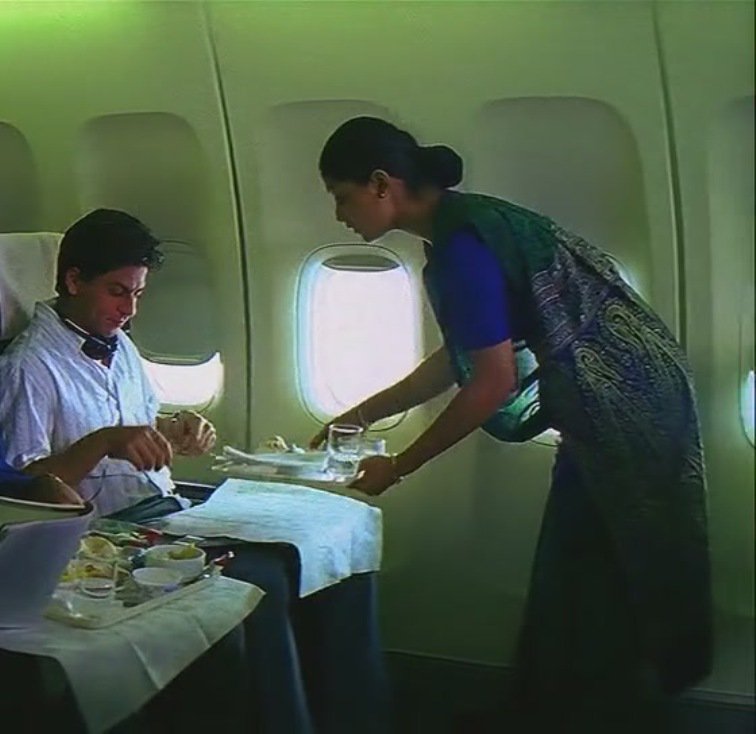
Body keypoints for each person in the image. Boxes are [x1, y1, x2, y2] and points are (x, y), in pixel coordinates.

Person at [313, 116, 712, 732]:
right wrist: (359, 416)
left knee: (601, 570)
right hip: (625, 398)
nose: (339, 215)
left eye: (342, 196)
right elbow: (459, 360)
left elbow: (490, 382)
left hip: (627, 409)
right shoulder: (465, 229)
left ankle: (591, 715)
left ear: (381, 183)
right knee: (572, 565)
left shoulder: (462, 251)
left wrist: (399, 466)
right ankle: (548, 709)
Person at [0, 208, 387, 734]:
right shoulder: (28, 366)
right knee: (262, 581)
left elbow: (131, 424)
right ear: (73, 280)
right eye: (117, 292)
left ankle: (350, 718)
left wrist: (171, 430)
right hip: (109, 528)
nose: (129, 309)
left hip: (163, 505)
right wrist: (104, 442)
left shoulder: (120, 345)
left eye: (138, 294)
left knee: (307, 554)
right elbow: (29, 486)